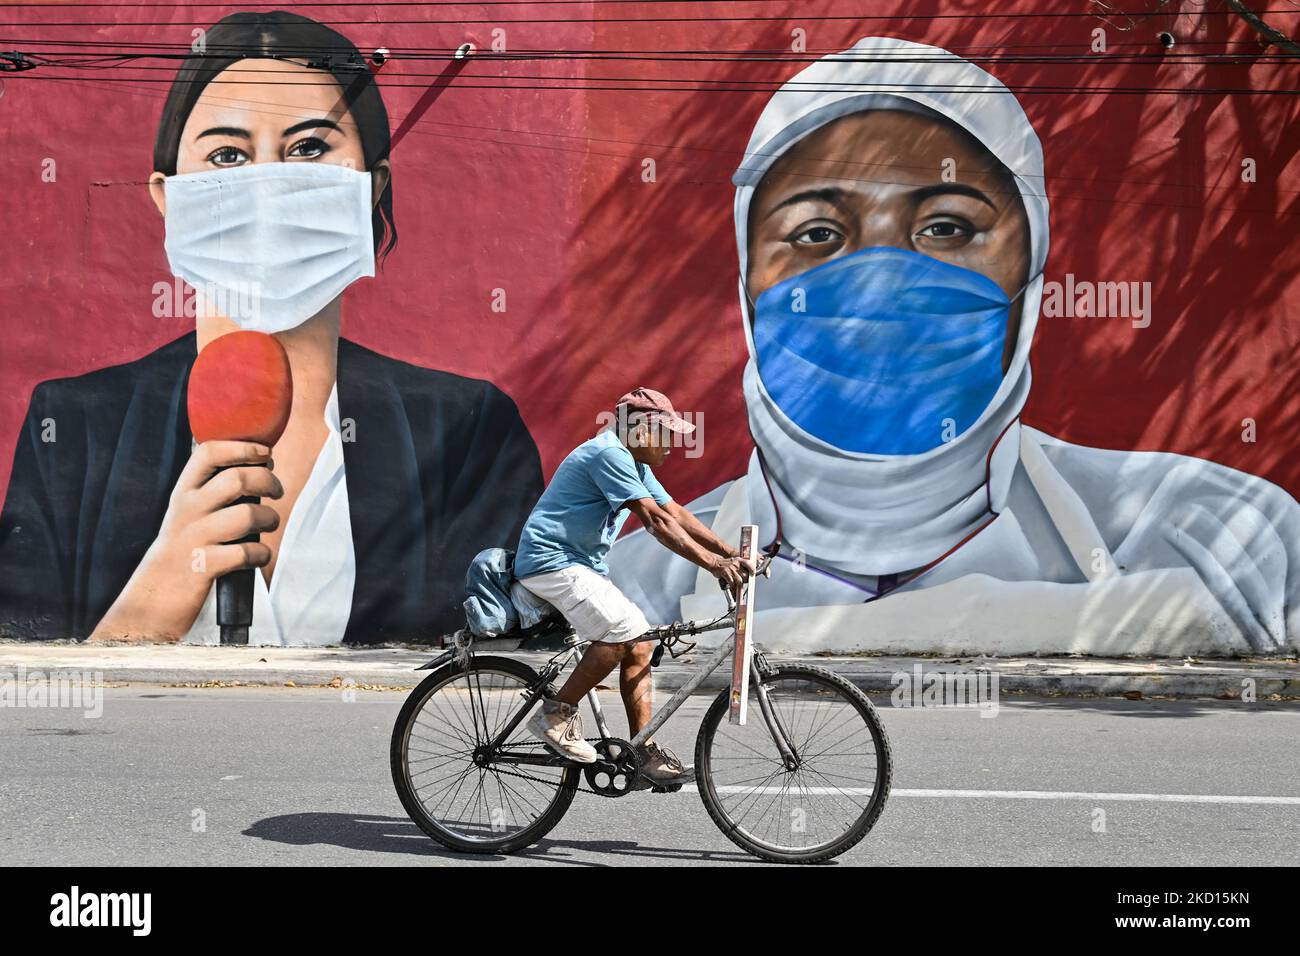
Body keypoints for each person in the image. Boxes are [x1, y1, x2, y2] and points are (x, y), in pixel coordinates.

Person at [607, 36, 1300, 657]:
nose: (879, 283)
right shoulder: (643, 576)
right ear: (746, 281)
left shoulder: (1208, 527)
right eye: (816, 234)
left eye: (946, 226)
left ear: (1030, 272)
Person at [0, 11, 542, 645]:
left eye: (310, 148)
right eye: (227, 155)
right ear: (167, 196)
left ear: (371, 187)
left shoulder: (469, 431)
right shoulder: (74, 427)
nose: (265, 184)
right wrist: (164, 581)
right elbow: (22, 679)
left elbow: (512, 661)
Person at [515, 388, 752, 787]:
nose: (674, 444)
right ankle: (554, 714)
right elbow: (656, 524)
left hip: (580, 565)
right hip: (551, 563)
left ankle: (642, 751)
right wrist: (714, 564)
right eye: (667, 433)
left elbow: (673, 512)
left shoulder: (632, 462)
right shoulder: (609, 454)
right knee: (621, 630)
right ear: (641, 431)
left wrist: (731, 554)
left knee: (640, 641)